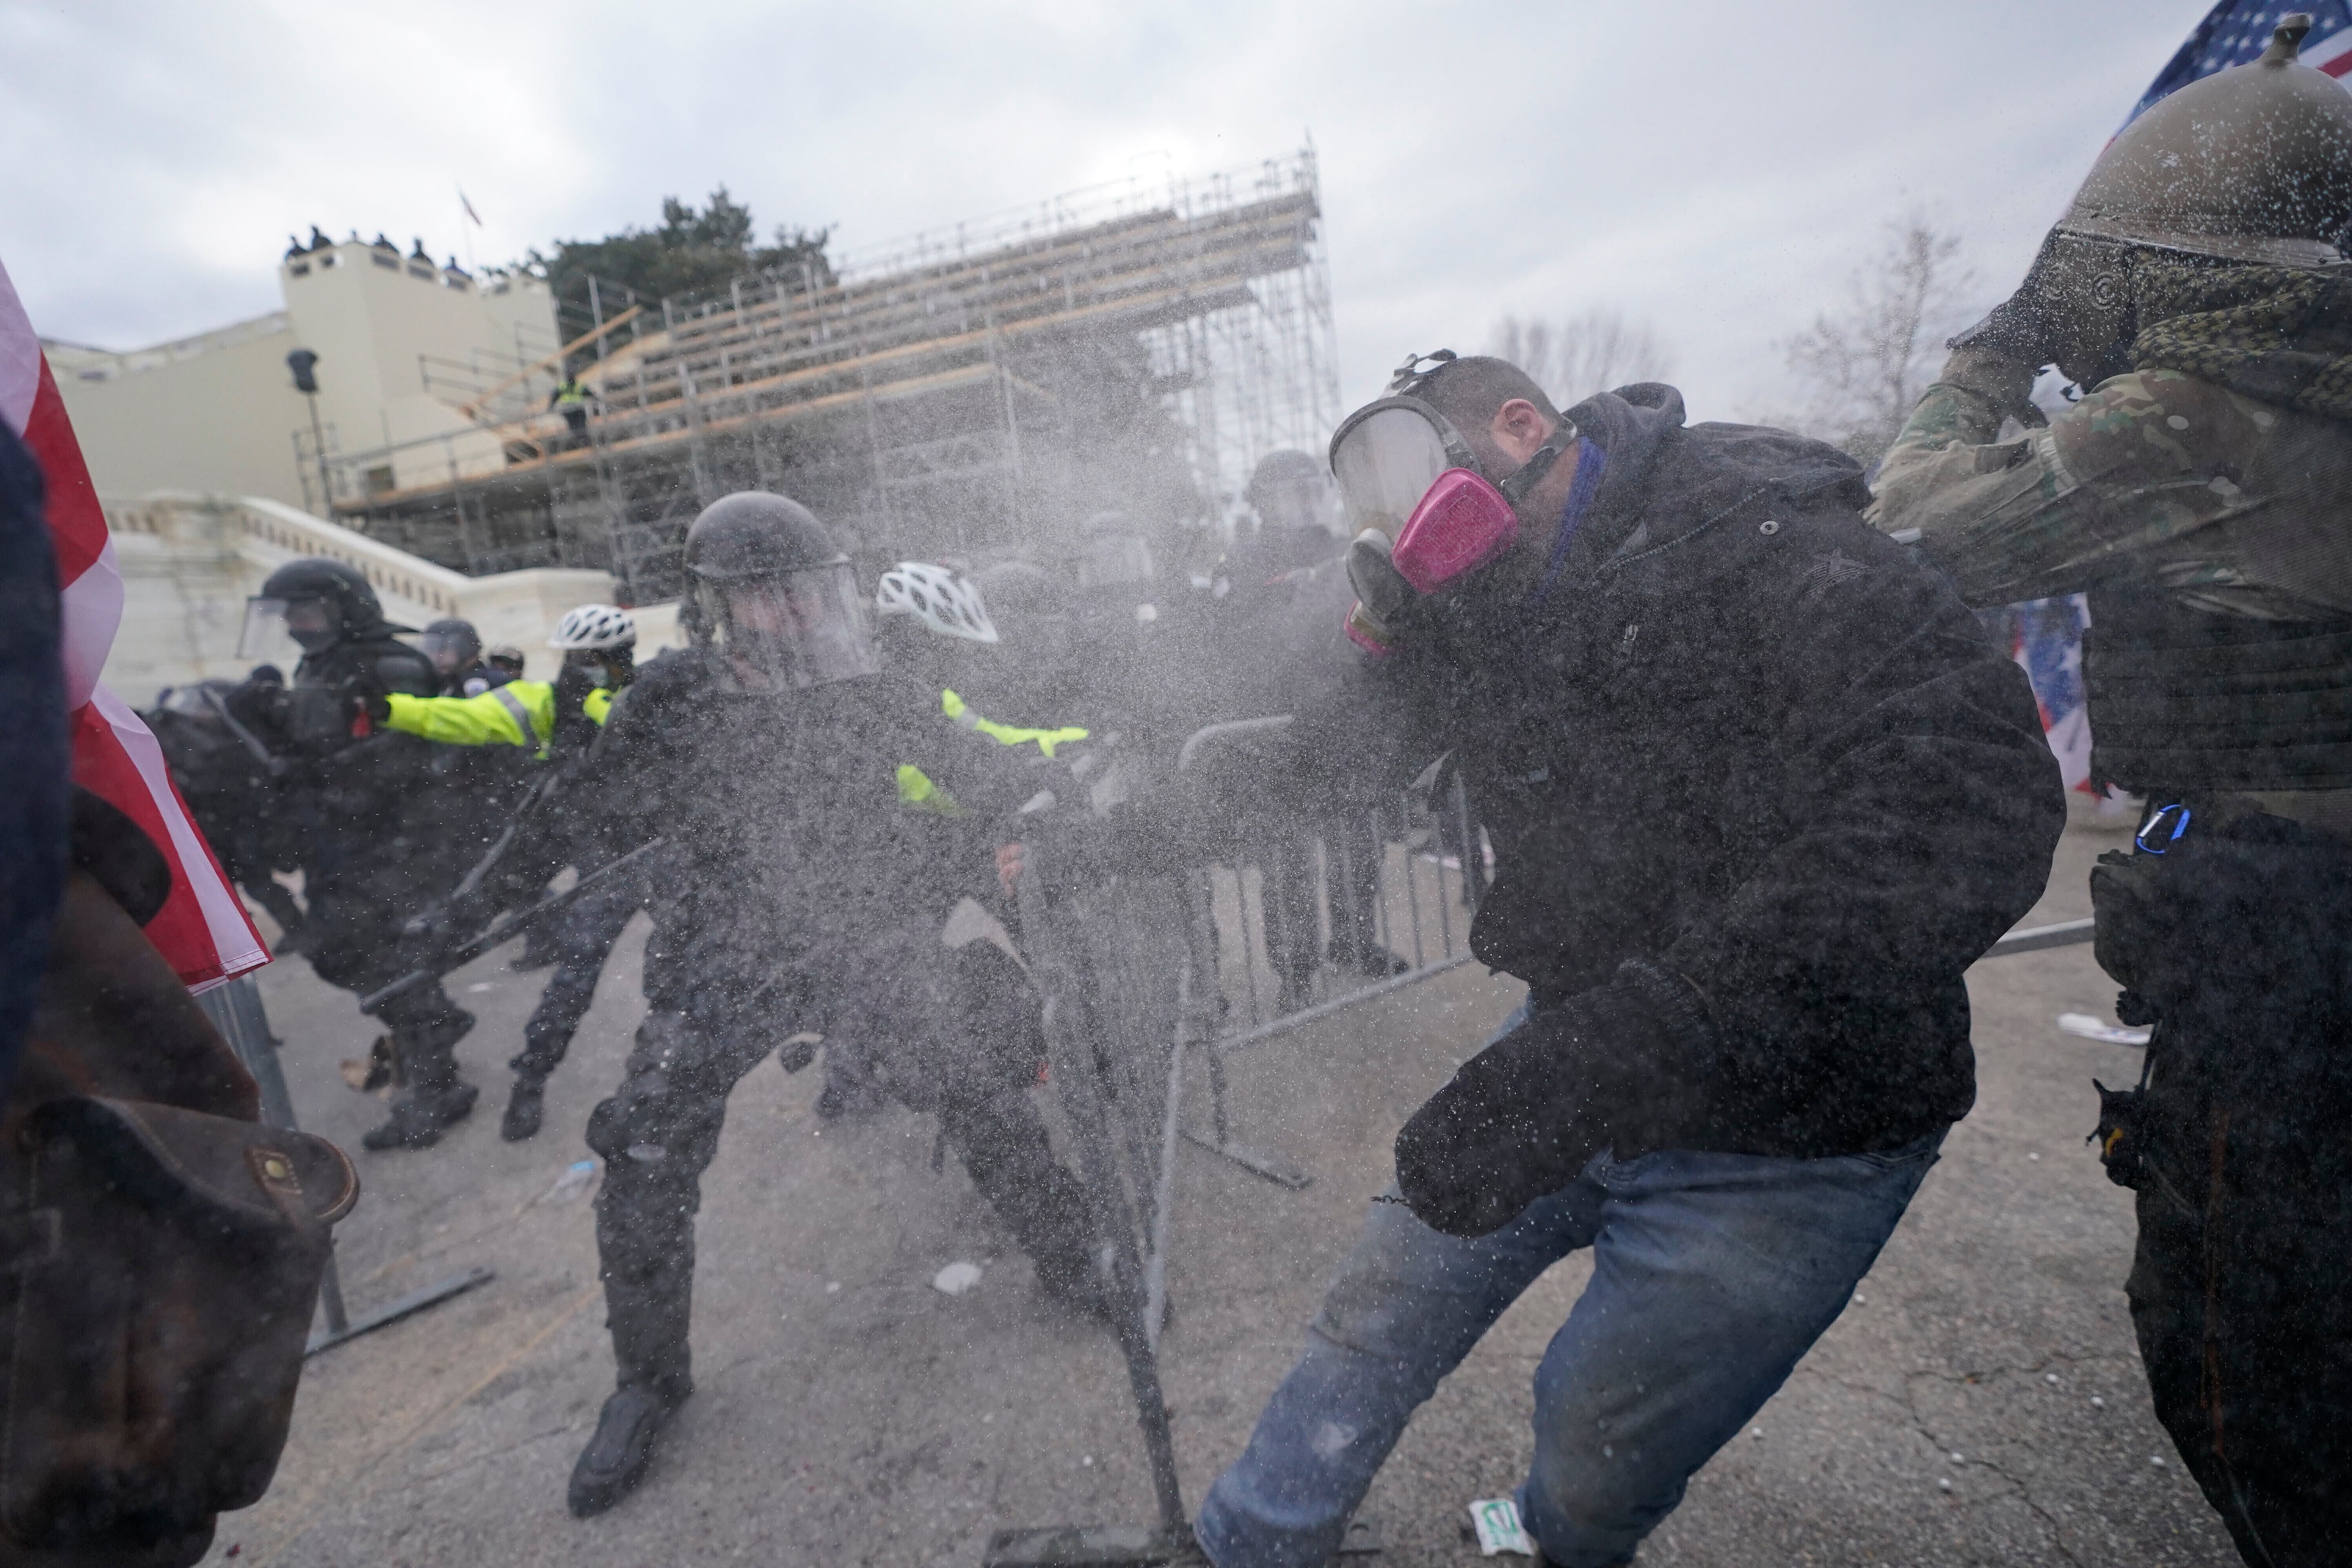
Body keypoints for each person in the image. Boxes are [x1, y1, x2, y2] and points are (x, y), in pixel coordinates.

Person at [1190, 351, 2065, 1568]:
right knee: (1382, 1301)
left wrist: (1640, 1036)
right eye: (1370, 501)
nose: (1400, 526)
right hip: (1586, 1045)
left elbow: (1960, 798)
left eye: (1409, 472)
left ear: (1521, 423)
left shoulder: (1761, 532)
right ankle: (1246, 1545)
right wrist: (1125, 838)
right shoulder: (1482, 606)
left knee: (1597, 1441)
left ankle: (1555, 1539)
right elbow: (1334, 764)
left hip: (1794, 1126)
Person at [1867, 22, 2352, 1565]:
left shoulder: (2212, 418)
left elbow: (1914, 532)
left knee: (2246, 1352)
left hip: (2296, 938)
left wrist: (1992, 352)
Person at [530, 494, 1104, 1517]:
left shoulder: (873, 677)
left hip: (864, 933)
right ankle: (647, 1381)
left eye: (804, 588)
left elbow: (965, 759)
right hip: (722, 955)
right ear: (719, 606)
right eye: (764, 595)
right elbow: (590, 808)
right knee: (647, 1150)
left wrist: (1057, 780)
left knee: (974, 1083)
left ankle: (1074, 1259)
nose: (791, 610)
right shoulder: (673, 696)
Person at [232, 557, 482, 1151]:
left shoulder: (390, 662)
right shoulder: (320, 664)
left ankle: (433, 1081)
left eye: (307, 612)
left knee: (393, 963)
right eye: (289, 616)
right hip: (340, 846)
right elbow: (319, 740)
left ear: (348, 607)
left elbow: (402, 759)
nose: (296, 625)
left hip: (396, 845)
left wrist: (313, 774)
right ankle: (433, 1025)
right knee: (334, 953)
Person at [371, 602, 640, 1141]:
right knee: (553, 949)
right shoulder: (543, 699)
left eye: (596, 660)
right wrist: (387, 708)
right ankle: (530, 1080)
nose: (584, 668)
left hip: (637, 847)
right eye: (577, 658)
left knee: (647, 962)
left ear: (619, 660)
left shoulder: (643, 699)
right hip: (573, 834)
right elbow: (465, 719)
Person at [412, 617, 507, 697]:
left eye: (446, 648)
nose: (437, 656)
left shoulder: (494, 682)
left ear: (468, 650)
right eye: (432, 649)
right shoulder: (437, 682)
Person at [550, 366, 594, 448]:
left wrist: (551, 406)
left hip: (573, 410)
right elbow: (590, 393)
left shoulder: (565, 386)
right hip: (572, 410)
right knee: (578, 428)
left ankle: (582, 441)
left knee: (578, 428)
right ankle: (582, 441)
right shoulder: (575, 386)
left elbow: (554, 397)